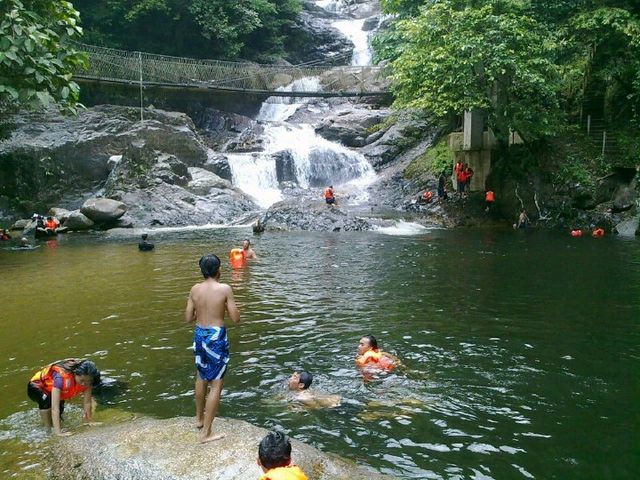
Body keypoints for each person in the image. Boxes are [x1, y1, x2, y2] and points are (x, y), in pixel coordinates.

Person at [185, 253, 240, 443]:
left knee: (201, 376)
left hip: (199, 334)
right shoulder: (225, 289)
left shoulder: (194, 289)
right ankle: (206, 433)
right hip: (216, 337)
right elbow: (235, 318)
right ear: (219, 270)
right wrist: (227, 307)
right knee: (216, 383)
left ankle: (199, 419)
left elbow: (188, 317)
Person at [27, 359, 100, 435]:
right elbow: (55, 408)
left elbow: (87, 403)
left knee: (60, 412)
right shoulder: (60, 378)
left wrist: (88, 421)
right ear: (75, 373)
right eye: (81, 380)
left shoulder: (89, 382)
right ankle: (48, 430)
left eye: (87, 381)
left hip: (53, 390)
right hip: (37, 386)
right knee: (46, 401)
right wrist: (58, 432)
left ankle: (54, 426)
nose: (84, 383)